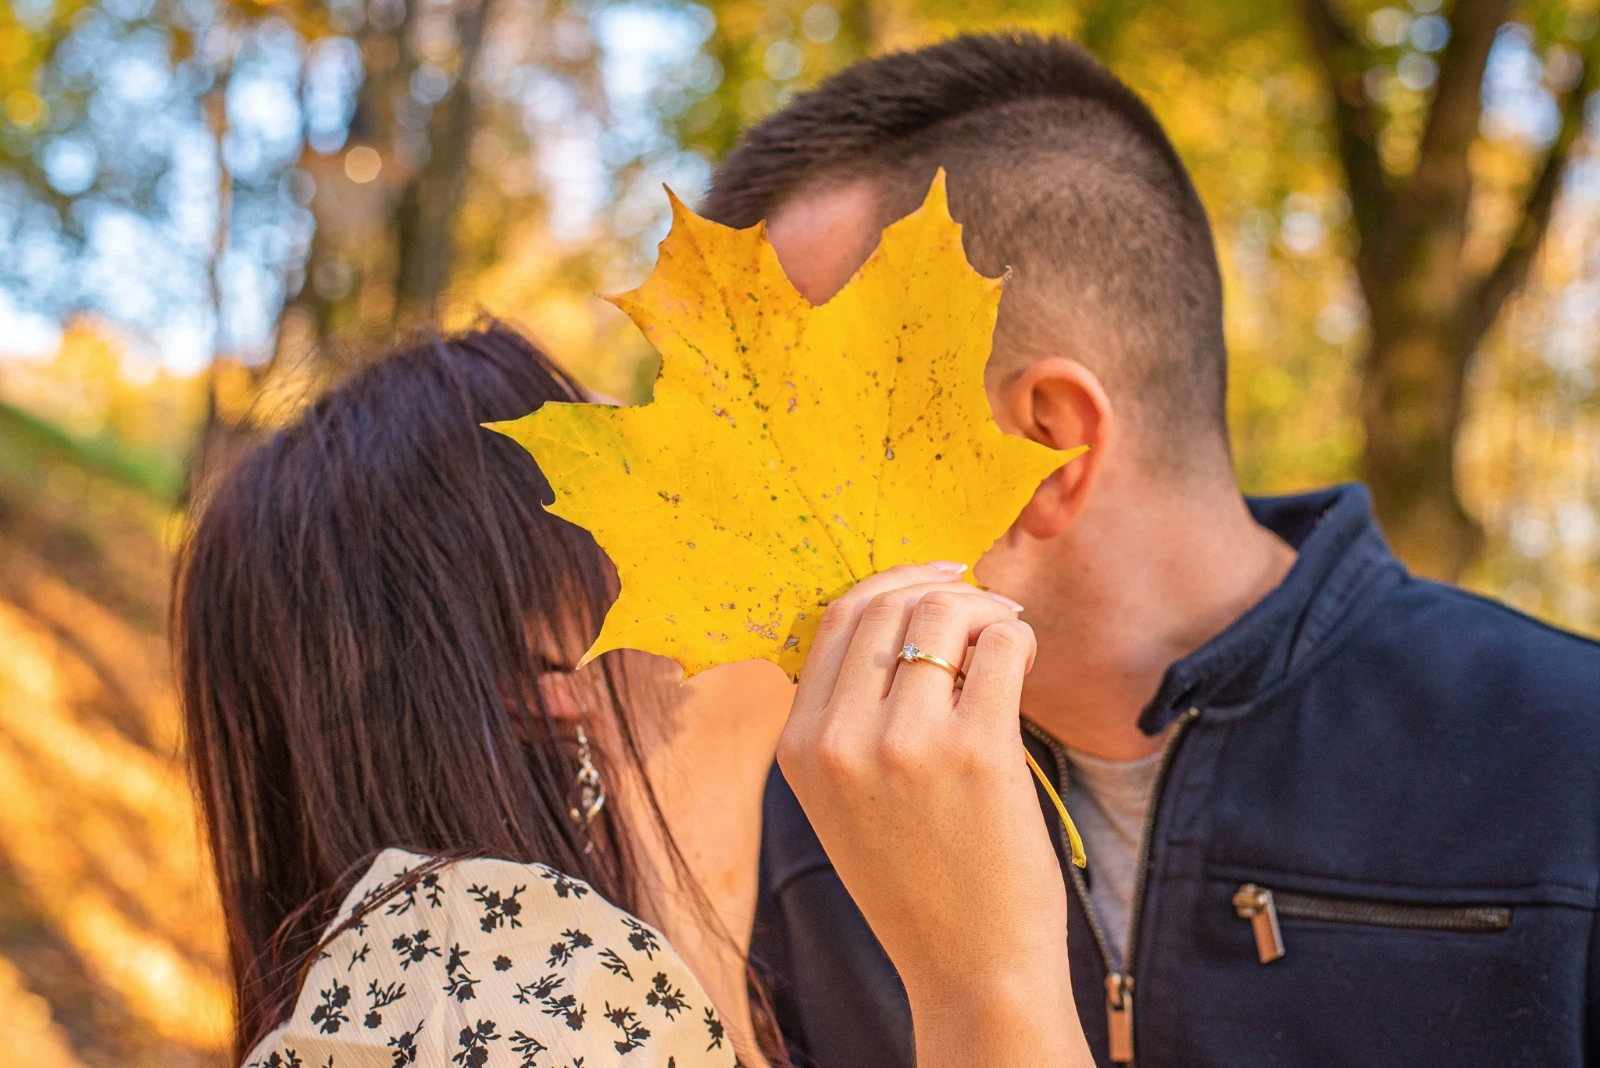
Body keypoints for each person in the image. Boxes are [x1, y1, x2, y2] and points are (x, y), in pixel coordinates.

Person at [701, 32, 1600, 1068]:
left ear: (1044, 445)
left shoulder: (1568, 779)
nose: (746, 492)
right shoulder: (815, 814)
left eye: (797, 421)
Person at [173, 322, 1095, 1067]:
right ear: (547, 669)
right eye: (663, 495)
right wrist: (988, 982)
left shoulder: (584, 1000)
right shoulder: (478, 996)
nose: (750, 499)